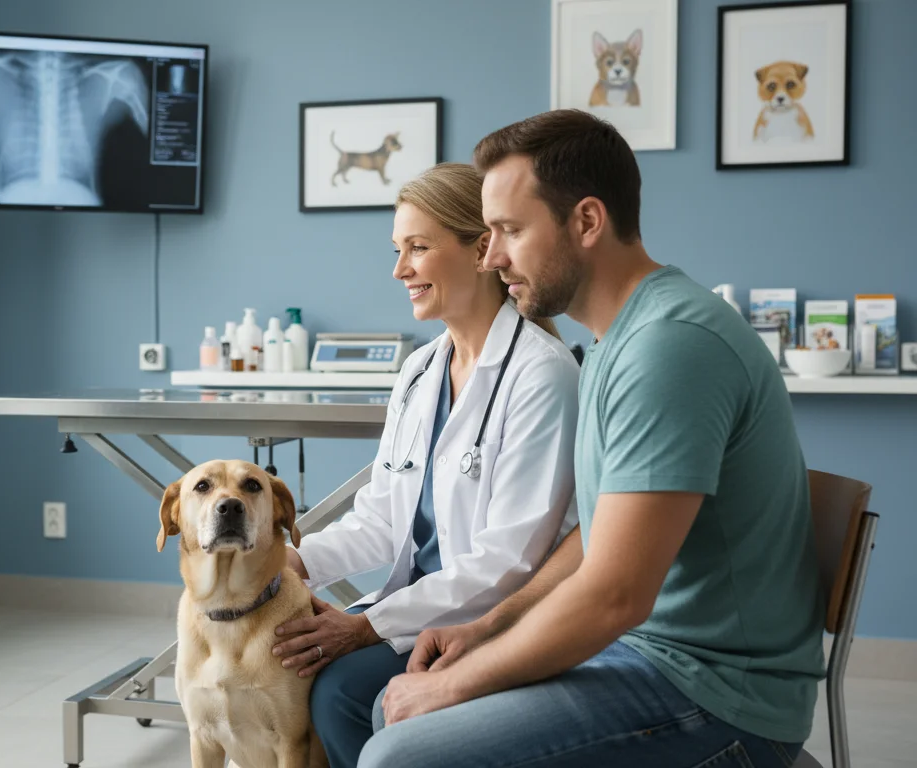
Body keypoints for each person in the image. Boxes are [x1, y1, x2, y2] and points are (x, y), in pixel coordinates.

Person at [363, 109, 826, 768]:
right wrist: (490, 626)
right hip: (647, 654)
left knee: (398, 756)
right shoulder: (618, 342)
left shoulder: (669, 346)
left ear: (586, 221)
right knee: (390, 709)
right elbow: (604, 534)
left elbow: (615, 594)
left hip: (715, 695)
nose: (492, 256)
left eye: (510, 231)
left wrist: (454, 684)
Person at [268, 163, 583, 768]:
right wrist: (300, 560)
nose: (400, 270)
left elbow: (510, 559)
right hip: (420, 607)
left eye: (419, 248)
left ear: (482, 249)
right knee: (305, 677)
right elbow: (384, 516)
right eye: (397, 249)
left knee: (342, 690)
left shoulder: (541, 375)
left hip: (497, 618)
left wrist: (365, 627)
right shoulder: (419, 373)